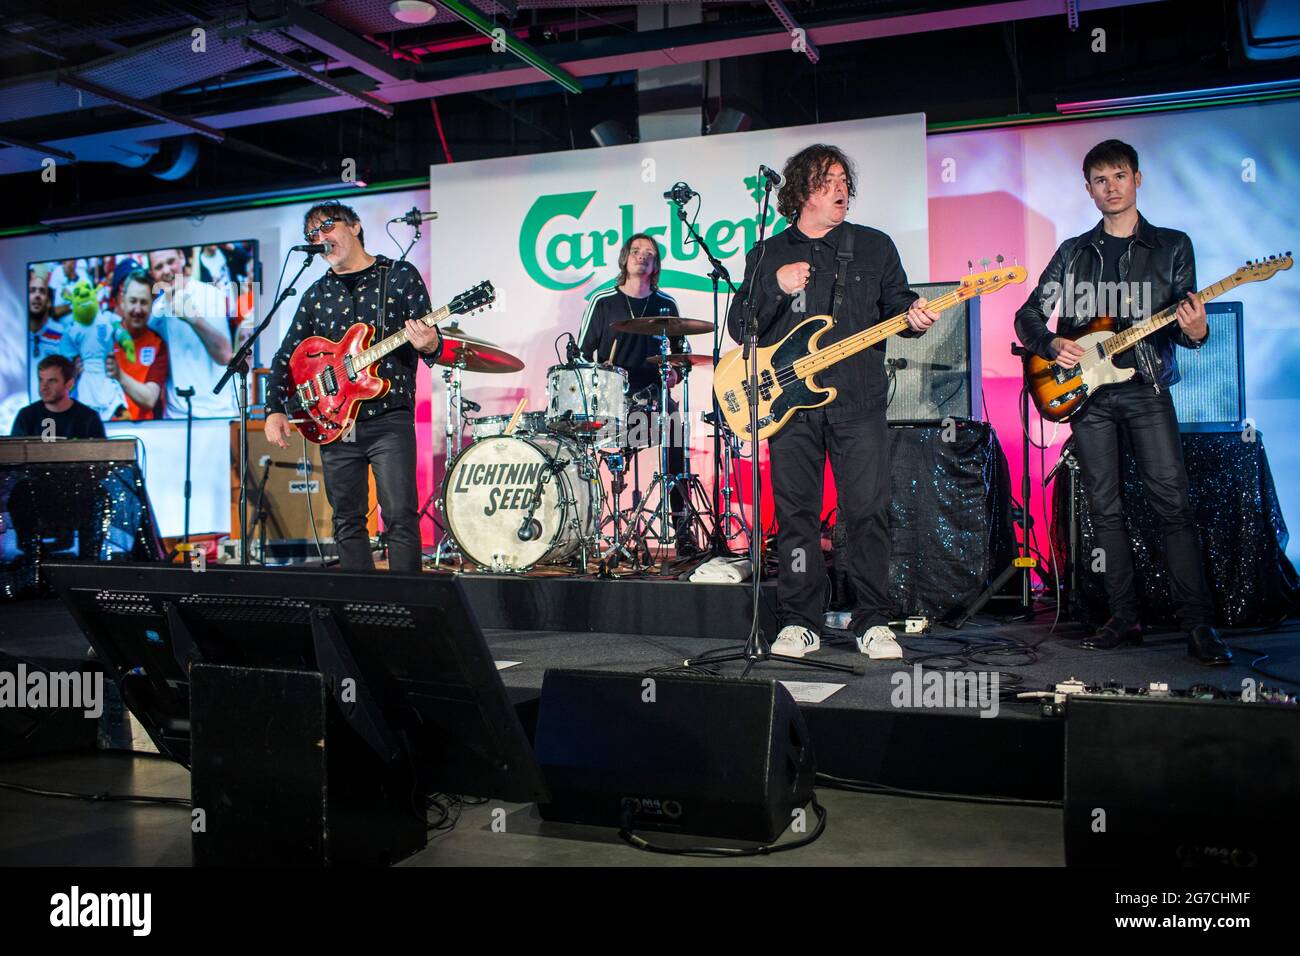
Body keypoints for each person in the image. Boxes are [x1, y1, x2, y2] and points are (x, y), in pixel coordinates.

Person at [1014, 139, 1230, 665]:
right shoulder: (1072, 252)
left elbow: (1185, 326)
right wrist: (1050, 344)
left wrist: (1197, 330)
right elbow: (1027, 315)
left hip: (1146, 390)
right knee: (1104, 510)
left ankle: (1198, 626)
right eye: (1100, 179)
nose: (1111, 187)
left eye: (1119, 176)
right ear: (1088, 190)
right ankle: (1122, 617)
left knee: (1172, 506)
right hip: (1087, 397)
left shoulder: (1172, 246)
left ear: (1138, 179)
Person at [725, 143, 937, 660]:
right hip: (791, 406)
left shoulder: (874, 246)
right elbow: (740, 327)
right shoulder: (768, 253)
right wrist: (774, 286)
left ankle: (872, 620)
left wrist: (913, 316)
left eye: (844, 180)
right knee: (796, 515)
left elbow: (898, 305)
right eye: (827, 180)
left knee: (866, 512)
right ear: (800, 192)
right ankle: (801, 620)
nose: (841, 189)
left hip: (859, 398)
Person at [263, 202, 442, 573]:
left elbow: (431, 344)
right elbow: (285, 358)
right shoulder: (315, 294)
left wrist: (429, 344)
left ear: (355, 226)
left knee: (399, 517)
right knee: (347, 520)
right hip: (336, 423)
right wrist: (274, 409)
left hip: (388, 417)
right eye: (312, 234)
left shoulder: (399, 276)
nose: (321, 237)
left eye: (327, 226)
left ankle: (410, 609)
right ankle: (362, 609)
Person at [578, 233, 697, 554]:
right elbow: (579, 356)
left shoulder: (665, 304)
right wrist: (599, 371)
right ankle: (584, 530)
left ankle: (683, 528)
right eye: (636, 251)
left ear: (656, 264)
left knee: (675, 433)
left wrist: (676, 372)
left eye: (650, 253)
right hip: (612, 403)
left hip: (655, 400)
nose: (642, 256)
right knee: (580, 451)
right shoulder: (603, 302)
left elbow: (683, 355)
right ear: (625, 259)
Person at [146, 247, 239, 421]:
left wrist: (194, 319)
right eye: (159, 267)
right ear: (152, 273)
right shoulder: (156, 311)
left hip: (216, 412)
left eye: (170, 261)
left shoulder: (209, 294)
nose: (166, 270)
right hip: (176, 415)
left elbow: (225, 355)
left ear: (181, 257)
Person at [55, 277, 127, 420]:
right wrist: (73, 369)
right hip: (86, 387)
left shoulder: (108, 320)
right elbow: (65, 360)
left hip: (109, 388)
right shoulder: (72, 330)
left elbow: (123, 337)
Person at [108, 268, 169, 421]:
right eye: (133, 301)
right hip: (106, 429)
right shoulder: (106, 335)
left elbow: (149, 400)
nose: (137, 309)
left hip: (145, 432)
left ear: (152, 304)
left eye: (143, 302)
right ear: (122, 301)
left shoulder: (158, 344)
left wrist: (119, 375)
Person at [11, 355, 106, 439]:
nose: (43, 387)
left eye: (51, 381)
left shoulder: (89, 418)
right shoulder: (26, 416)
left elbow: (101, 456)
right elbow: (14, 456)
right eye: (41, 380)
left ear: (70, 384)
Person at [27, 265, 65, 401]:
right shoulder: (15, 335)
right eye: (32, 291)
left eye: (42, 292)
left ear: (48, 301)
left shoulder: (61, 335)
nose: (37, 295)